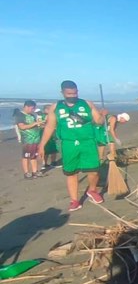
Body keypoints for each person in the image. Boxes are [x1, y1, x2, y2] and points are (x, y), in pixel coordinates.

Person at [39, 80, 104, 211]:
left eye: (74, 93)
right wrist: (42, 145)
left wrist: (102, 115)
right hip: (68, 143)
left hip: (88, 142)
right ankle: (74, 200)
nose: (72, 95)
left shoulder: (87, 104)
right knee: (71, 173)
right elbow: (50, 126)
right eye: (69, 93)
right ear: (62, 92)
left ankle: (92, 190)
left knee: (94, 170)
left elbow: (99, 122)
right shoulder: (55, 107)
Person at [15, 100, 44, 179]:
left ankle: (35, 171)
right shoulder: (20, 115)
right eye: (32, 108)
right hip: (27, 140)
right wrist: (35, 123)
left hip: (35, 139)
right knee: (26, 156)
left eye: (34, 108)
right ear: (26, 107)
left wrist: (40, 124)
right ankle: (26, 173)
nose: (33, 110)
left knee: (34, 156)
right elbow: (22, 127)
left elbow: (35, 125)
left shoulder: (32, 115)